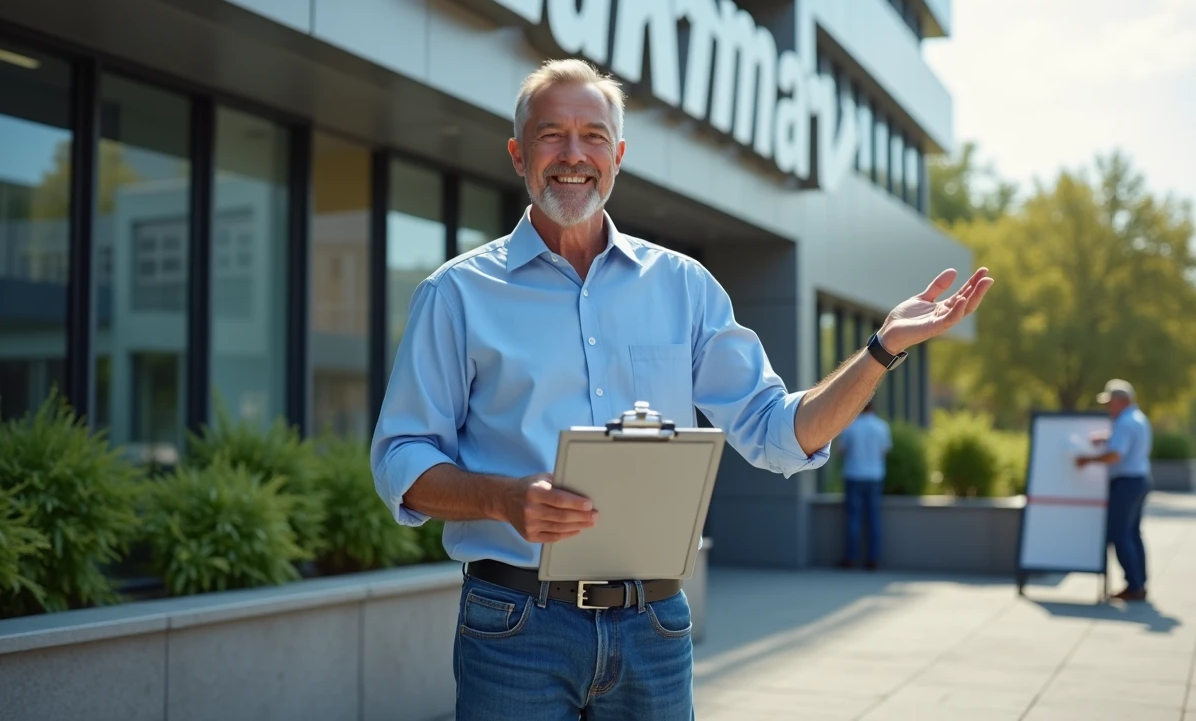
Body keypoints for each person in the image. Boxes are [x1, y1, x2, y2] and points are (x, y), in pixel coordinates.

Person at [370, 58, 993, 720]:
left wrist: (881, 350)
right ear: (519, 153)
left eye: (594, 136)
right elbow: (401, 458)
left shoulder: (684, 287)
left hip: (656, 627)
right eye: (552, 135)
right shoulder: (458, 294)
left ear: (620, 154)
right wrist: (501, 497)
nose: (573, 155)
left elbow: (777, 430)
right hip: (517, 625)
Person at [1076, 379, 1153, 601]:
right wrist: (1106, 439)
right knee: (1132, 533)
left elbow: (1116, 455)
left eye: (1110, 402)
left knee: (1120, 533)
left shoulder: (1125, 423)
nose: (1108, 407)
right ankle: (1139, 583)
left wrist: (1088, 460)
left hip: (1126, 482)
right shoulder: (1138, 419)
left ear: (1122, 401)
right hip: (1139, 480)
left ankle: (1134, 585)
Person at [835, 401, 891, 570]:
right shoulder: (882, 427)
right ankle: (872, 559)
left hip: (854, 474)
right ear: (873, 408)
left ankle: (850, 558)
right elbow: (885, 452)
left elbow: (841, 451)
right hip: (874, 476)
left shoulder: (850, 426)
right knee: (874, 518)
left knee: (853, 518)